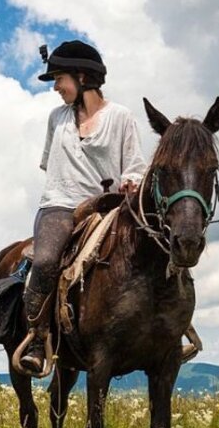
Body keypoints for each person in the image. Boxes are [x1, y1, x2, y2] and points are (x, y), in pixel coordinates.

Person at [18, 40, 147, 376]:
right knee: (45, 260)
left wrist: (131, 181)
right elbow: (52, 167)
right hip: (60, 206)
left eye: (60, 78)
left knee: (154, 247)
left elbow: (134, 166)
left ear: (83, 77)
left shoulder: (121, 117)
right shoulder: (56, 119)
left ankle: (168, 333)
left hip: (111, 208)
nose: (57, 87)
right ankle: (37, 339)